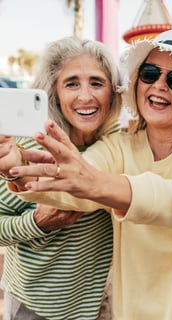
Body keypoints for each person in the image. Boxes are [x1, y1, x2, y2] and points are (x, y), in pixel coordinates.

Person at [4, 29, 172, 319]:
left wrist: (101, 184)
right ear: (137, 83)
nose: (159, 85)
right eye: (149, 74)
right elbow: (72, 186)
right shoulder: (118, 146)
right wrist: (17, 171)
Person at [0, 36, 122, 320]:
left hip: (94, 307)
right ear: (54, 91)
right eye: (71, 83)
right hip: (32, 306)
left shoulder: (119, 145)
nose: (85, 96)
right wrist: (36, 223)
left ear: (112, 93)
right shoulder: (29, 147)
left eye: (96, 82)